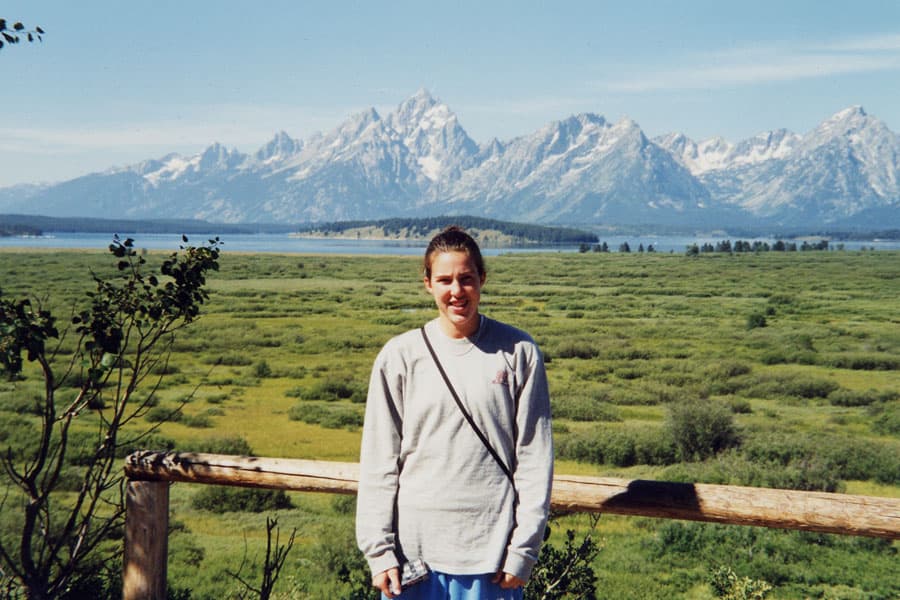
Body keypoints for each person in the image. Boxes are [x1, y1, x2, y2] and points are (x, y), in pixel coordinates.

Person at [356, 226, 553, 599]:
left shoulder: (519, 352)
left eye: (466, 278)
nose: (456, 291)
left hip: (492, 559)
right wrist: (379, 552)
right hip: (412, 559)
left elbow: (534, 457)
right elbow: (379, 461)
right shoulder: (400, 356)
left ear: (482, 279)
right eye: (445, 280)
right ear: (428, 283)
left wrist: (523, 550)